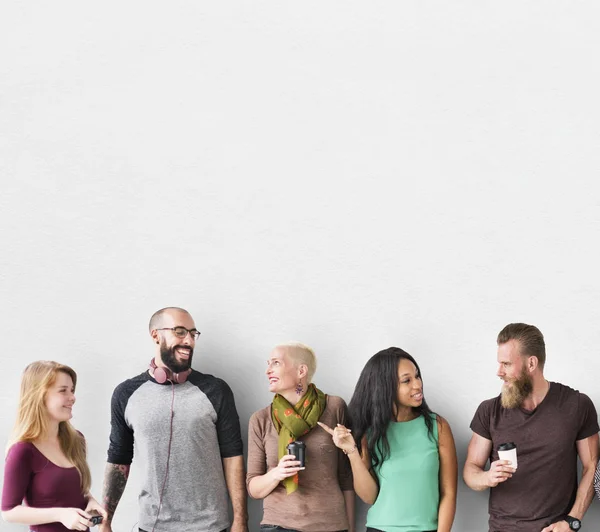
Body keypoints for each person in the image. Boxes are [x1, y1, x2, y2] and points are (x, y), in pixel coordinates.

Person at [99, 307, 247, 532]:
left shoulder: (216, 390)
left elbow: (233, 456)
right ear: (155, 335)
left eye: (192, 334)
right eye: (180, 332)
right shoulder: (126, 394)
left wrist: (240, 520)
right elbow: (119, 458)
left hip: (210, 526)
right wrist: (106, 521)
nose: (188, 340)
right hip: (152, 526)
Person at [463, 323, 599, 532]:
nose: (499, 372)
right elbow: (471, 470)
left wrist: (572, 521)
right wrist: (486, 477)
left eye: (506, 364)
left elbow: (592, 466)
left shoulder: (577, 405)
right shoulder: (489, 411)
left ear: (531, 363)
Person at [320, 346, 457, 532]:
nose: (417, 385)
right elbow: (369, 497)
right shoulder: (371, 433)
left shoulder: (437, 427)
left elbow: (448, 493)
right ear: (385, 387)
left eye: (417, 376)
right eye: (406, 381)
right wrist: (351, 450)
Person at [246, 342, 355, 532]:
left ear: (301, 371)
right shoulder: (260, 419)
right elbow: (253, 488)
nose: (267, 370)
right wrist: (276, 474)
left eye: (276, 363)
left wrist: (351, 528)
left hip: (330, 525)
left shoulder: (334, 407)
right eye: (268, 363)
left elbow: (346, 477)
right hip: (278, 525)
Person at [1, 361, 107, 531]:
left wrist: (90, 501)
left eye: (72, 390)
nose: (72, 397)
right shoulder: (23, 451)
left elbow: (75, 490)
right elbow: (8, 511)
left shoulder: (76, 441)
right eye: (63, 390)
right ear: (39, 395)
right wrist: (61, 515)